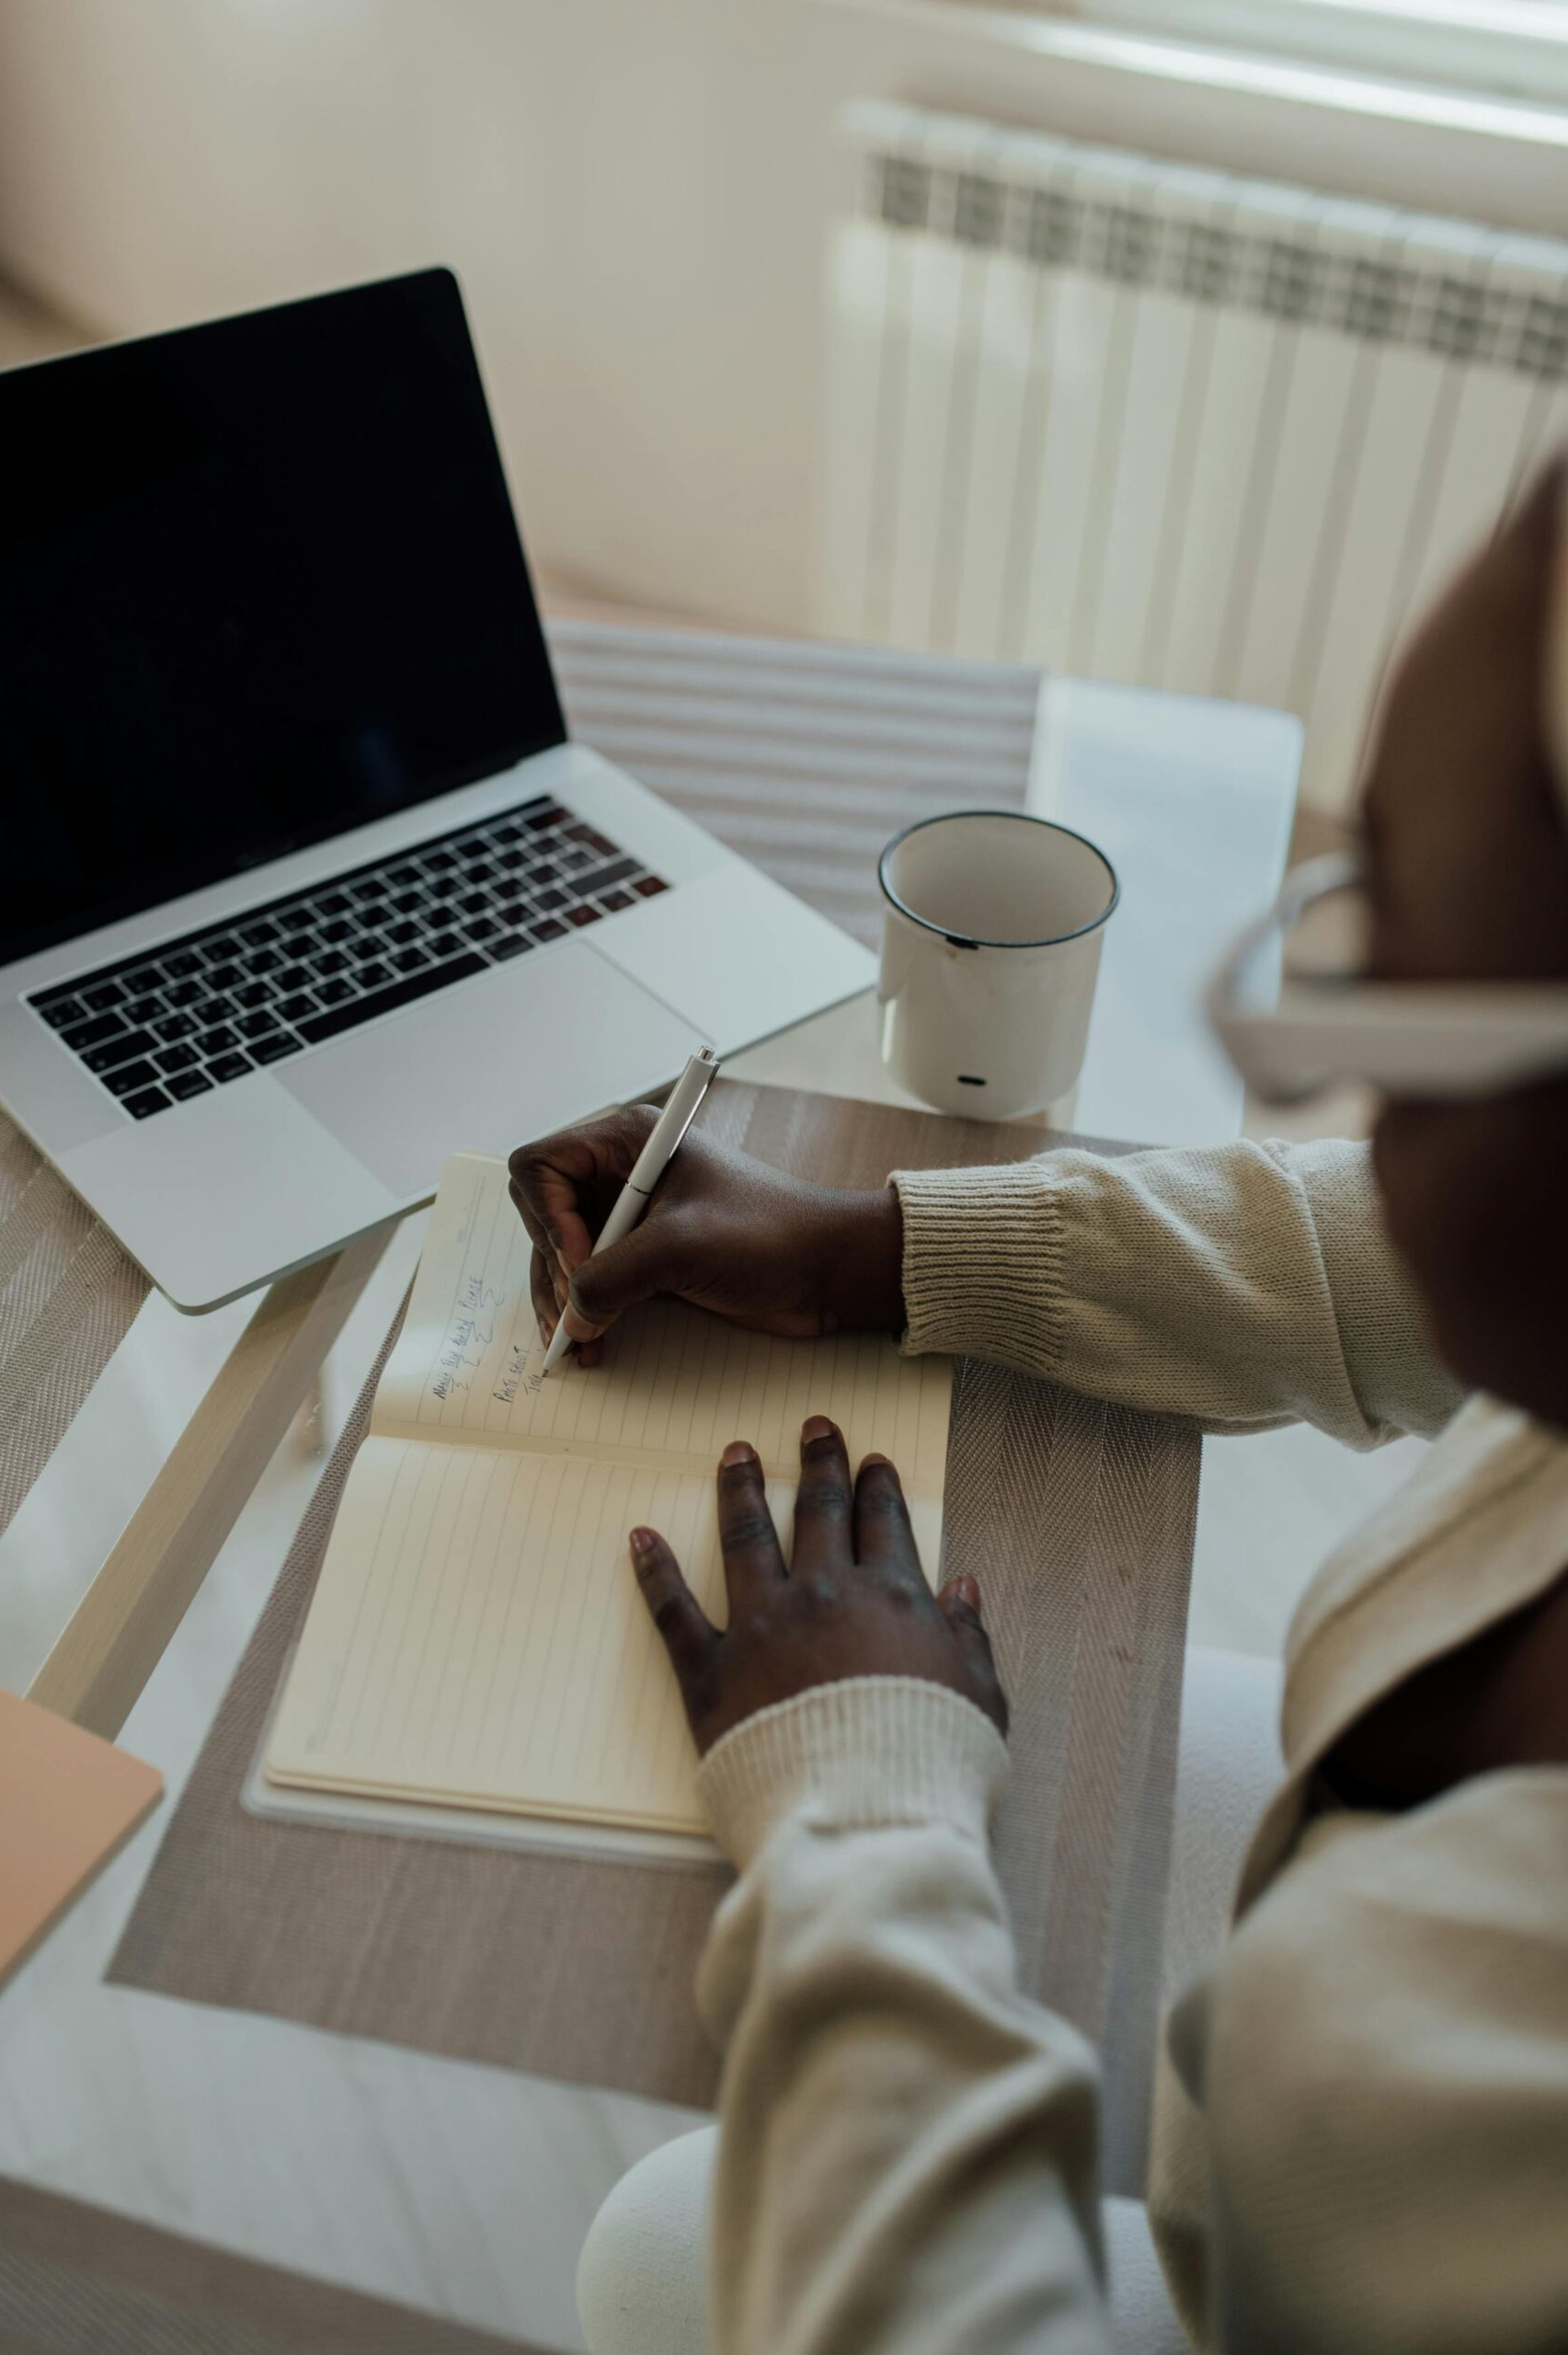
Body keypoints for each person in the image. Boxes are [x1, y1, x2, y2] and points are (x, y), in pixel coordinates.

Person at [511, 463, 1568, 2355]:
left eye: (1393, 967)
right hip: (1301, 1985)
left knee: (661, 2245)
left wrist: (861, 1801)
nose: (1312, 1064)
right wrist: (878, 1248)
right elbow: (1387, 1265)